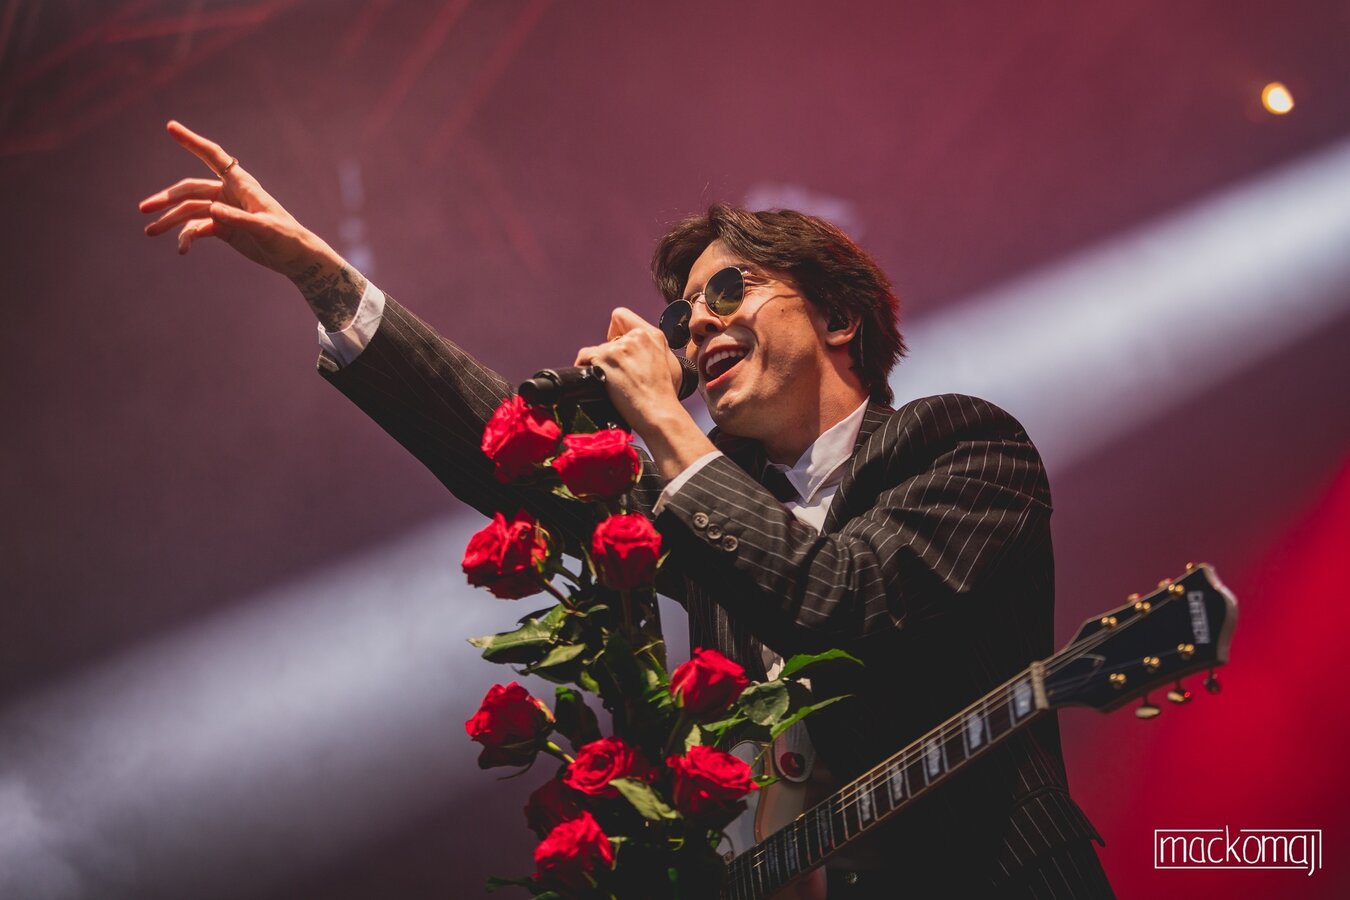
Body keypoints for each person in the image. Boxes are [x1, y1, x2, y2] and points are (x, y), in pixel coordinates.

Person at [141, 121, 1114, 898]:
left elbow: (843, 600)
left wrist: (665, 422)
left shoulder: (961, 446)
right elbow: (520, 457)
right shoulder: (716, 501)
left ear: (838, 315)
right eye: (684, 316)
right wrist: (326, 277)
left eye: (729, 289)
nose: (699, 325)